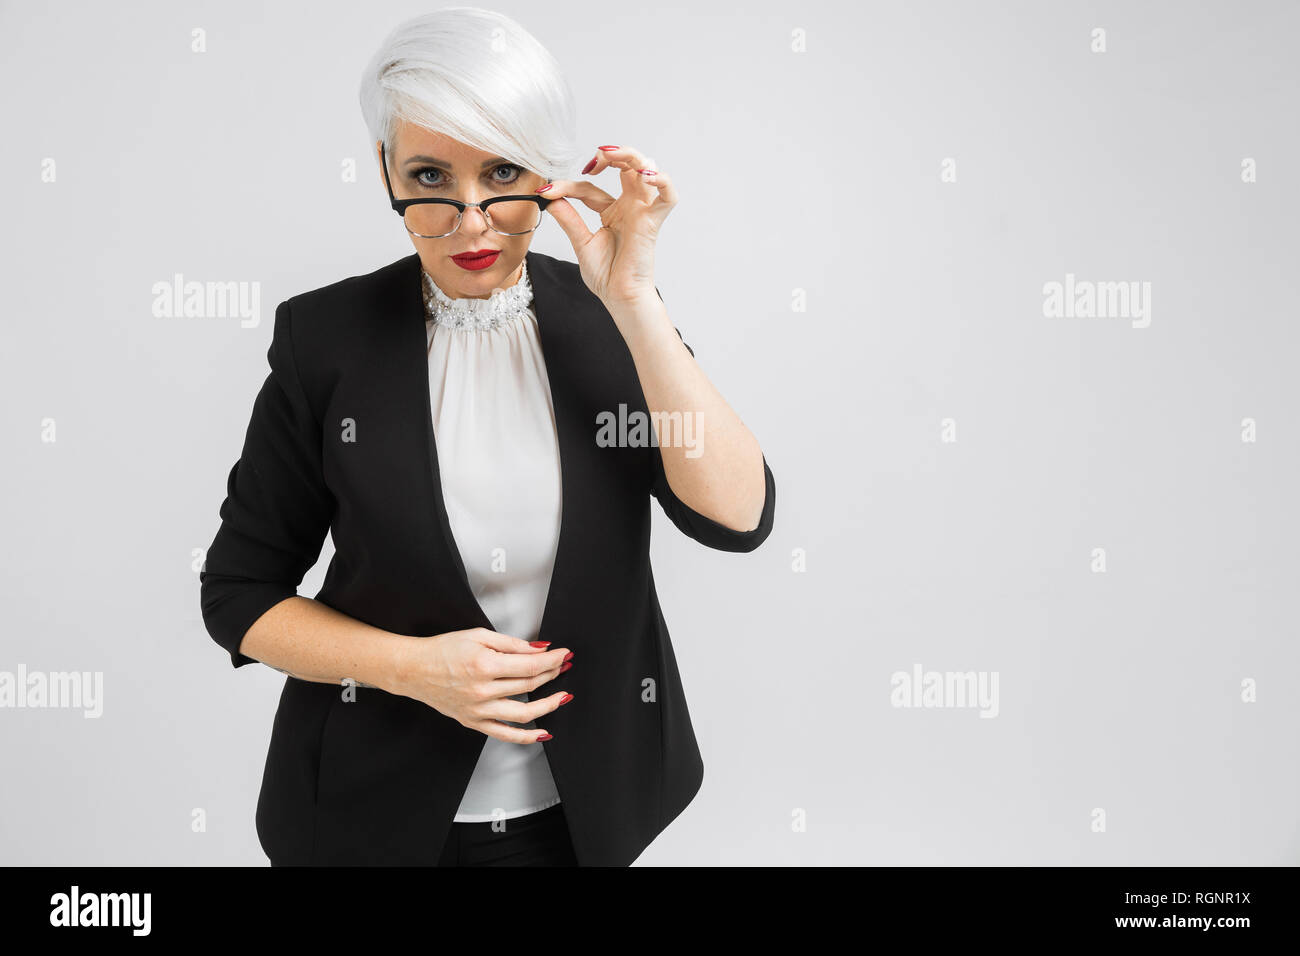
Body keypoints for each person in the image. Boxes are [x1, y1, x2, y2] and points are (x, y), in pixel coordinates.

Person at [199, 6, 775, 866]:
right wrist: (411, 669)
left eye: (503, 171)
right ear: (386, 169)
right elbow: (239, 595)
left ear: (546, 173)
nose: (471, 221)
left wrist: (636, 305)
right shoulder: (326, 342)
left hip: (585, 815)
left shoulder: (607, 320)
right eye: (430, 177)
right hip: (372, 818)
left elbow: (739, 516)